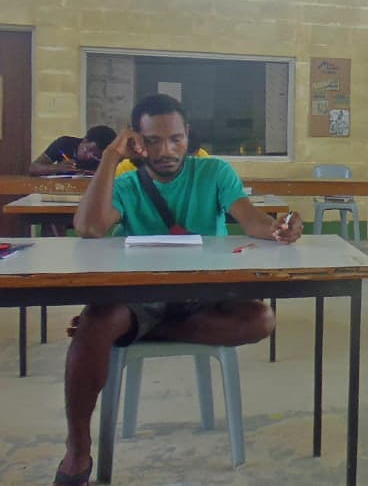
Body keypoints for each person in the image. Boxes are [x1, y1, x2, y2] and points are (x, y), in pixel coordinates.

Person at [54, 94, 303, 486]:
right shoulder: (126, 184)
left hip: (206, 296)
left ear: (188, 135)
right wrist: (109, 158)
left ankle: (131, 334)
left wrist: (276, 229)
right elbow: (89, 228)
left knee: (261, 319)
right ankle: (78, 449)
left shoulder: (214, 173)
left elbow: (249, 219)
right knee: (99, 320)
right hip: (141, 297)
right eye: (153, 141)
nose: (166, 150)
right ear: (136, 142)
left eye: (175, 139)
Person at [29, 126, 117, 176]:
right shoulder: (64, 144)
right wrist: (58, 168)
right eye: (88, 150)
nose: (89, 156)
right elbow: (33, 168)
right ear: (84, 140)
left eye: (96, 155)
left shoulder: (105, 157)